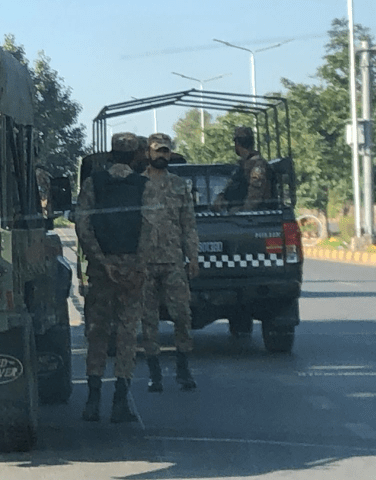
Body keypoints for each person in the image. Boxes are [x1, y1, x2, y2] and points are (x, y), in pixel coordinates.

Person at [75, 132, 147, 423]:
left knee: (97, 333)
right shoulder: (144, 185)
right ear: (135, 156)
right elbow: (151, 228)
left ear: (111, 154)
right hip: (132, 270)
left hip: (100, 272)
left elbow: (82, 225)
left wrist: (101, 262)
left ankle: (92, 401)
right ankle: (120, 401)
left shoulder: (94, 183)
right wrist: (138, 265)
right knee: (127, 334)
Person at [139, 133, 200, 392]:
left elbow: (189, 224)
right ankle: (155, 374)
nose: (162, 155)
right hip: (145, 262)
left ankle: (183, 370)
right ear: (148, 153)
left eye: (165, 151)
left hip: (174, 261)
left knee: (183, 315)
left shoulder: (179, 185)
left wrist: (193, 257)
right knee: (148, 319)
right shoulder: (137, 185)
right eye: (157, 151)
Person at [213, 126, 273, 212]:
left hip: (256, 215)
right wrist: (222, 198)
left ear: (237, 143)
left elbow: (254, 196)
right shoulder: (242, 166)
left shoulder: (257, 166)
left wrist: (241, 211)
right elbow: (231, 186)